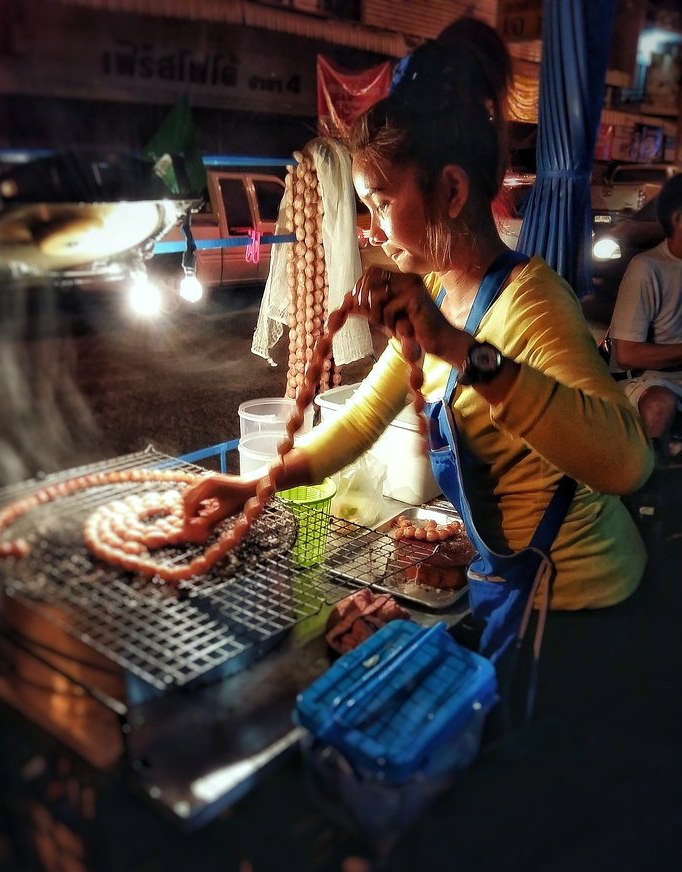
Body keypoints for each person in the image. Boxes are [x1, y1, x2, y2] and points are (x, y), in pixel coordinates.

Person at [184, 19, 655, 723]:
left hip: (582, 604)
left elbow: (626, 465)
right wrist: (253, 486)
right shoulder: (435, 292)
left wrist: (461, 350)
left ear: (452, 191)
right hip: (513, 584)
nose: (370, 226)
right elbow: (362, 422)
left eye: (378, 201)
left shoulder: (532, 301)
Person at [609, 173, 682, 459]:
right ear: (678, 220)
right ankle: (643, 488)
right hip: (648, 380)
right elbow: (627, 354)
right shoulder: (647, 268)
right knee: (658, 405)